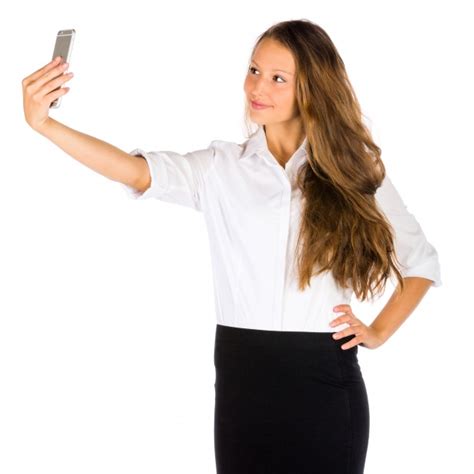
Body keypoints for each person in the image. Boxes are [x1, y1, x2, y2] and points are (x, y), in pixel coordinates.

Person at [22, 19, 442, 474]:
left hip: (326, 381)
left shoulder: (352, 173)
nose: (257, 87)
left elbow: (420, 261)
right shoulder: (222, 168)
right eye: (254, 70)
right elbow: (135, 171)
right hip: (244, 381)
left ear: (312, 89)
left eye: (278, 78)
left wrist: (377, 332)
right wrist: (45, 125)